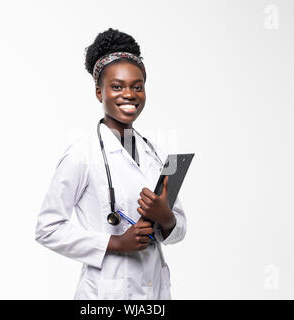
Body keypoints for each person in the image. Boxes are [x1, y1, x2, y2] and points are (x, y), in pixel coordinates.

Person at [35, 28, 186, 300]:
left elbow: (178, 232)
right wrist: (114, 243)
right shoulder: (81, 154)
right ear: (98, 92)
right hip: (106, 293)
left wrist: (167, 218)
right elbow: (48, 228)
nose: (129, 94)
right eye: (117, 86)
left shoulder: (158, 154)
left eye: (137, 86)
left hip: (155, 293)